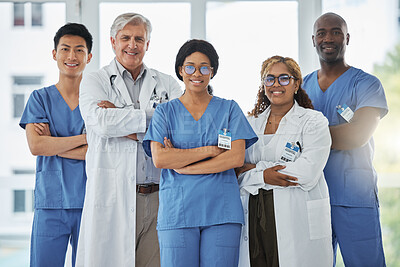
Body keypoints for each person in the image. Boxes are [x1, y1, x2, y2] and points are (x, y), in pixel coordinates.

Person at [76, 13, 182, 267]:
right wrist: (154, 121)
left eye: (139, 39)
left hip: (158, 197)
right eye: (125, 38)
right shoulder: (94, 81)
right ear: (113, 42)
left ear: (148, 44)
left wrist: (121, 116)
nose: (132, 45)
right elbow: (101, 122)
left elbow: (179, 125)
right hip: (112, 196)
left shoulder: (167, 82)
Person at [142, 39, 258, 267]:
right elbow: (161, 158)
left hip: (222, 212)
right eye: (190, 67)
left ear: (212, 72)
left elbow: (235, 157)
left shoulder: (229, 108)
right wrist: (211, 151)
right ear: (180, 70)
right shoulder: (165, 112)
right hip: (178, 212)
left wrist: (184, 164)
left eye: (204, 67)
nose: (197, 73)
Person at [302, 12, 388, 266]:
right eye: (321, 33)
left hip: (354, 197)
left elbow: (357, 135)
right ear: (314, 41)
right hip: (313, 196)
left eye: (336, 32)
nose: (328, 38)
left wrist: (308, 139)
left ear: (347, 38)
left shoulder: (366, 84)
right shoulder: (301, 87)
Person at [236, 56, 333, 267]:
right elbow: (235, 171)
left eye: (284, 79)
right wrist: (264, 173)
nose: (276, 85)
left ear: (296, 84)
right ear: (263, 85)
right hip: (255, 214)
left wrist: (257, 170)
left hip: (297, 218)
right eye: (269, 79)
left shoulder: (313, 121)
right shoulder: (250, 123)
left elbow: (306, 172)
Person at [19, 23, 92, 267]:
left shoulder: (96, 104)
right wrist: (85, 139)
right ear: (55, 54)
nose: (72, 56)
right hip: (50, 204)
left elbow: (101, 153)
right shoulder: (40, 98)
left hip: (89, 203)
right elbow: (37, 146)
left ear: (89, 57)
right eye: (65, 49)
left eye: (79, 50)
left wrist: (54, 142)